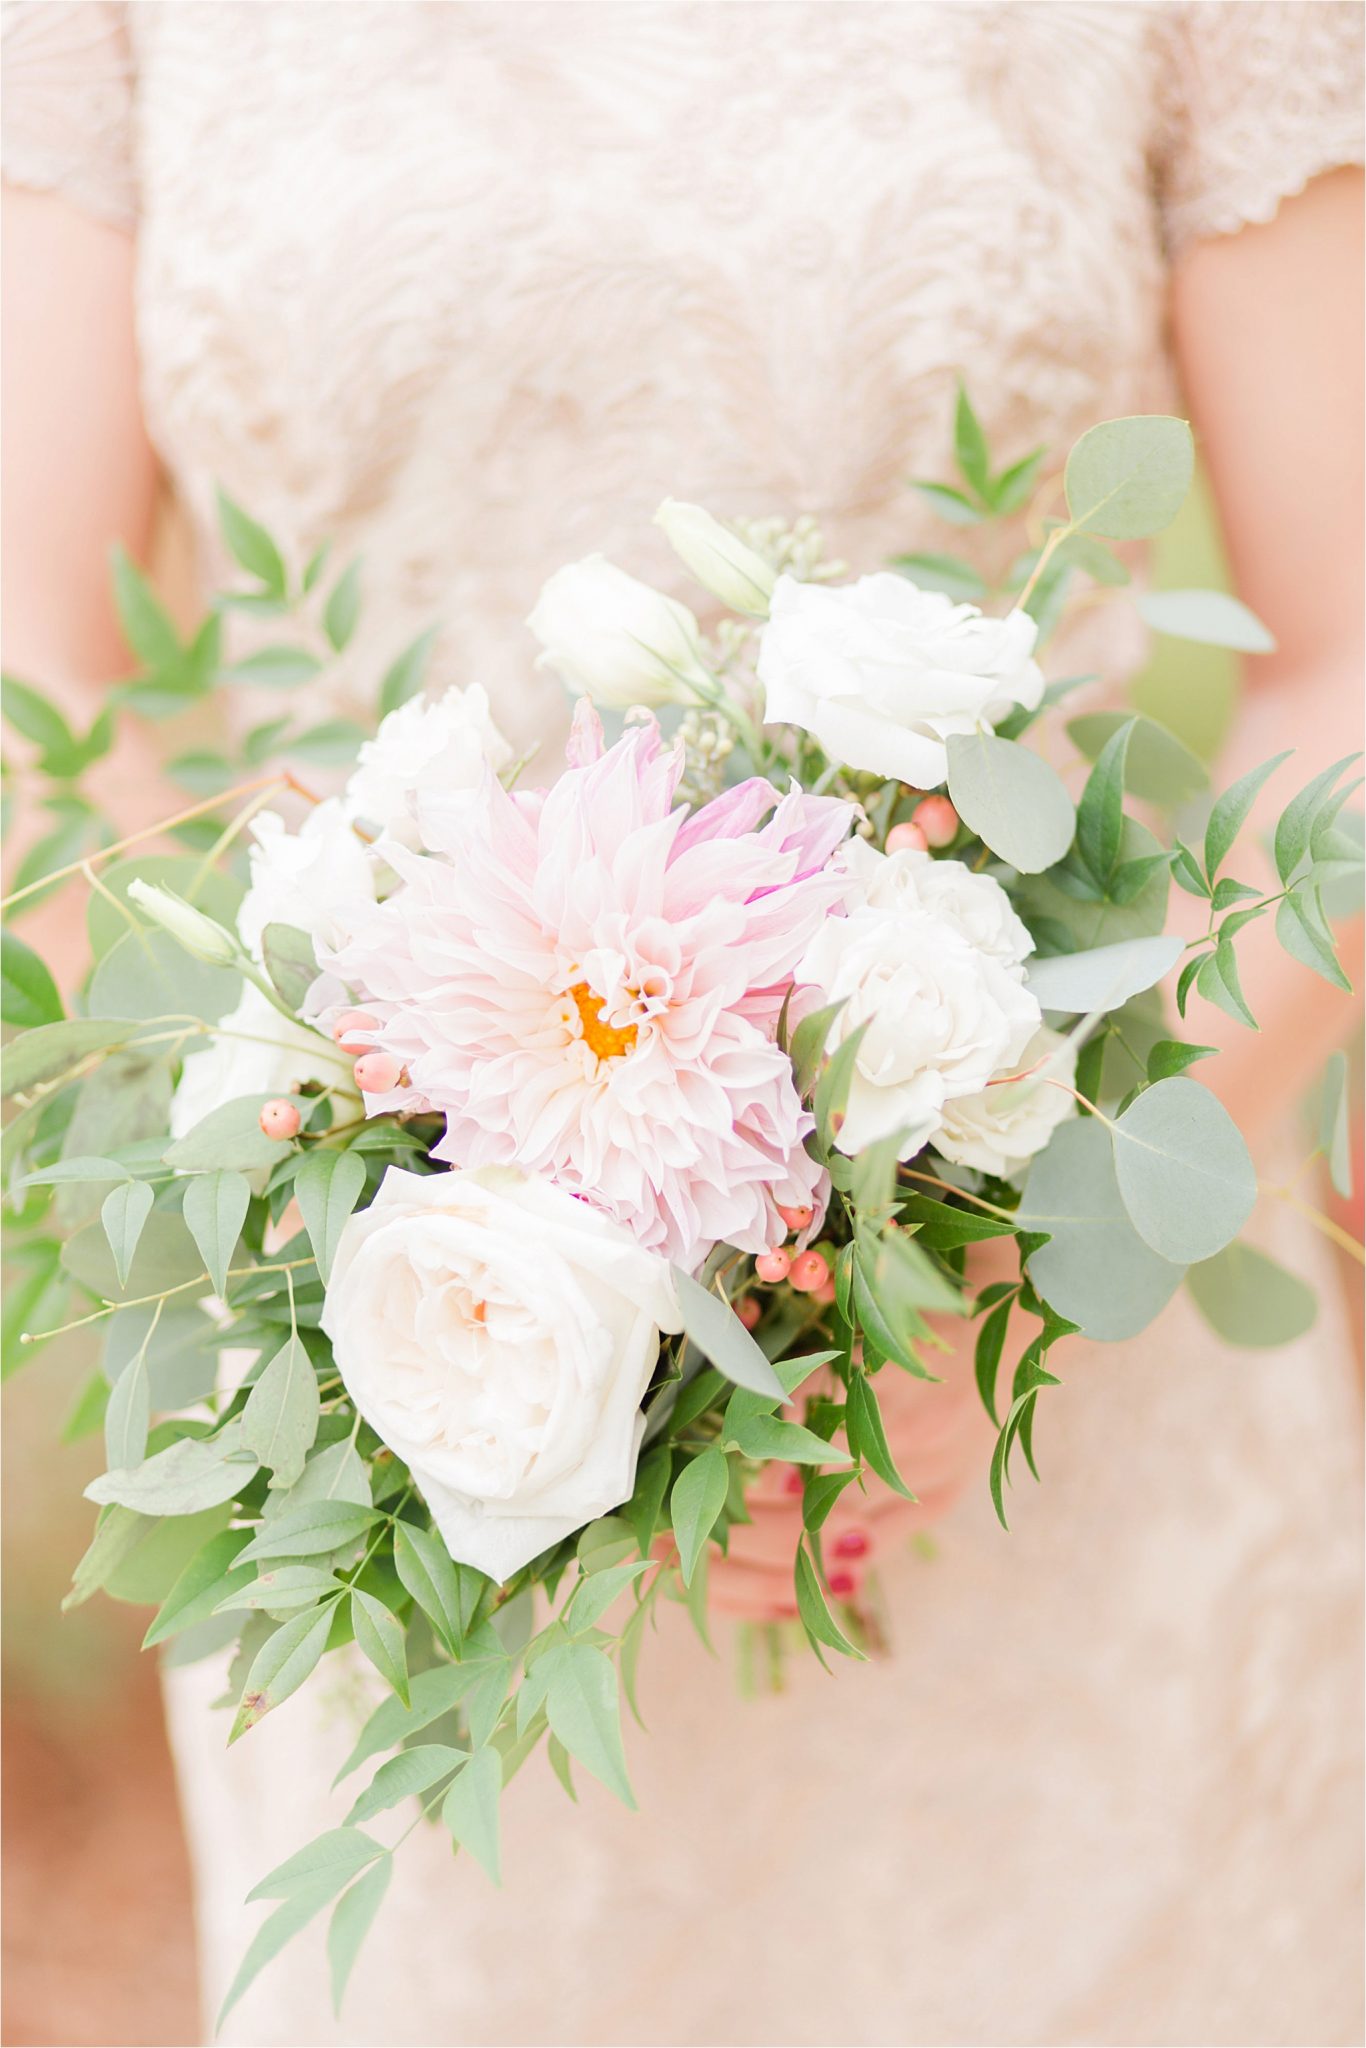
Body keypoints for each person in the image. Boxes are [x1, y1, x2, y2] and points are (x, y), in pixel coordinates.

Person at [3, 4, 1362, 2042]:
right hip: (417, 1420)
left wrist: (1017, 1252)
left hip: (1032, 1374)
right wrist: (378, 1243)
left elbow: (1342, 659)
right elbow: (46, 670)